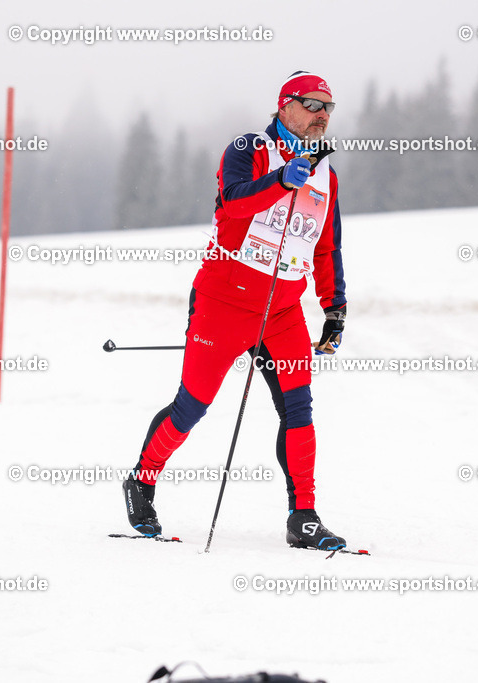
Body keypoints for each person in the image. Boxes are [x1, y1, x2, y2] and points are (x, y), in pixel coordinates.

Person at [123, 71, 347, 550]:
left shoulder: (326, 174)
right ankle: (141, 482)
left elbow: (326, 247)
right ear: (285, 105)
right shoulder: (248, 148)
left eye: (328, 106)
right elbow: (234, 204)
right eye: (312, 103)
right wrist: (281, 180)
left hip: (283, 309)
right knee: (193, 405)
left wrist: (335, 310)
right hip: (224, 301)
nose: (322, 114)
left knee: (298, 408)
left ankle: (303, 517)